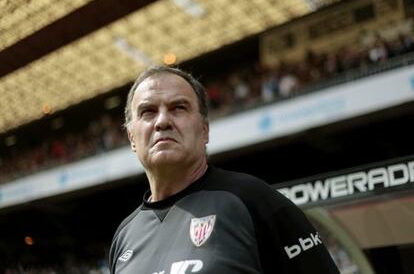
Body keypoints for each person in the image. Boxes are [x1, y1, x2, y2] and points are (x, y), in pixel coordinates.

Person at [109, 66, 339, 274]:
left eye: (178, 108)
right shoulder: (124, 237)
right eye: (147, 112)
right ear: (131, 138)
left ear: (204, 130)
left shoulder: (253, 200)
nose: (162, 121)